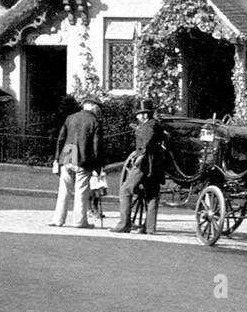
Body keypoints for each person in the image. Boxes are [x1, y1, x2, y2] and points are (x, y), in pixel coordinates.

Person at [112, 99, 164, 235]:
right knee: (152, 194)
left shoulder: (148, 126)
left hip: (144, 163)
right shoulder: (156, 125)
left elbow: (145, 146)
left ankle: (124, 224)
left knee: (125, 190)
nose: (137, 117)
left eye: (139, 114)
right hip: (156, 165)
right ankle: (150, 228)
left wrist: (137, 159)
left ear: (145, 115)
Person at [50, 98, 103, 229]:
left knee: (64, 189)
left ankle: (58, 220)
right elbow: (97, 146)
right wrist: (98, 165)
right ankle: (79, 221)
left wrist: (57, 158)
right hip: (84, 157)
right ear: (93, 107)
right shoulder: (94, 121)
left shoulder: (71, 117)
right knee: (81, 191)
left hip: (69, 152)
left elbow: (61, 139)